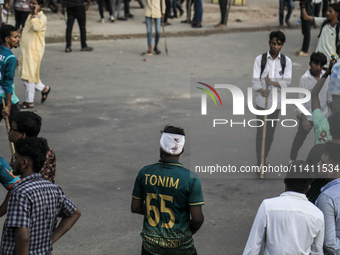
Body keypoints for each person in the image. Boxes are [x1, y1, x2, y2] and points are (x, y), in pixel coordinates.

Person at [0, 137, 81, 254]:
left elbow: (23, 238)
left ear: (24, 163)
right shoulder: (54, 189)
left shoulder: (19, 192)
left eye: (15, 158)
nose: (12, 163)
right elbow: (74, 213)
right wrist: (49, 241)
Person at [131, 125, 204, 255]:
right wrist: (190, 230)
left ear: (160, 149)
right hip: (182, 247)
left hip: (150, 247)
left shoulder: (144, 173)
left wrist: (157, 212)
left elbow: (135, 208)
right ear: (182, 150)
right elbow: (197, 219)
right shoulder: (191, 179)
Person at [243, 161, 324, 255]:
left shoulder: (268, 206)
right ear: (308, 188)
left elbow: (252, 248)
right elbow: (317, 252)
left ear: (285, 180)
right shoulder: (317, 215)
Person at [252, 30, 292, 166]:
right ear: (269, 43)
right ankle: (260, 162)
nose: (275, 47)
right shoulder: (260, 60)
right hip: (262, 103)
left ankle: (264, 157)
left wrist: (272, 83)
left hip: (276, 104)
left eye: (279, 44)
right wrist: (262, 90)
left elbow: (286, 83)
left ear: (282, 46)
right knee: (260, 133)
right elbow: (255, 81)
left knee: (269, 134)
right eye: (273, 43)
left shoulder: (286, 61)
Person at [289, 52, 328, 162]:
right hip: (308, 115)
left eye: (321, 65)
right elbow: (300, 100)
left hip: (322, 116)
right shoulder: (304, 79)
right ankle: (292, 160)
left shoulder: (326, 76)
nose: (318, 68)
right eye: (316, 64)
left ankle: (318, 163)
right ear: (310, 63)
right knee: (300, 139)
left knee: (321, 142)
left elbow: (328, 96)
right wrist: (304, 119)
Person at [18, 0, 51, 109]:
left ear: (39, 5)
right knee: (26, 74)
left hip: (33, 51)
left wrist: (36, 14)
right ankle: (43, 89)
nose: (31, 5)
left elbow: (36, 28)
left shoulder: (42, 18)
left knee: (28, 76)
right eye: (30, 3)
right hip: (26, 50)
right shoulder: (31, 16)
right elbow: (28, 29)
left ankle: (29, 101)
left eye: (33, 3)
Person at [9, 111, 56, 183]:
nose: (10, 131)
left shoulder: (31, 154)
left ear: (22, 135)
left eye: (12, 129)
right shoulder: (22, 149)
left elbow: (14, 180)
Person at [315, 142, 340, 254]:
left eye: (323, 163)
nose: (318, 164)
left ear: (334, 170)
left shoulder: (327, 198)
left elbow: (329, 243)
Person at [300, 2, 340, 68]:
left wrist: (336, 61)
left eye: (330, 11)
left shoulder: (338, 28)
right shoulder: (323, 22)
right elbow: (305, 17)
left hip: (328, 64)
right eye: (327, 10)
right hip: (317, 61)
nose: (327, 13)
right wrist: (302, 5)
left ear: (337, 13)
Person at [0, 24, 20, 121]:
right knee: (18, 128)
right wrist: (8, 105)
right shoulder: (10, 58)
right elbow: (8, 82)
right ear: (7, 39)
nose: (18, 39)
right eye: (15, 37)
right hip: (5, 98)